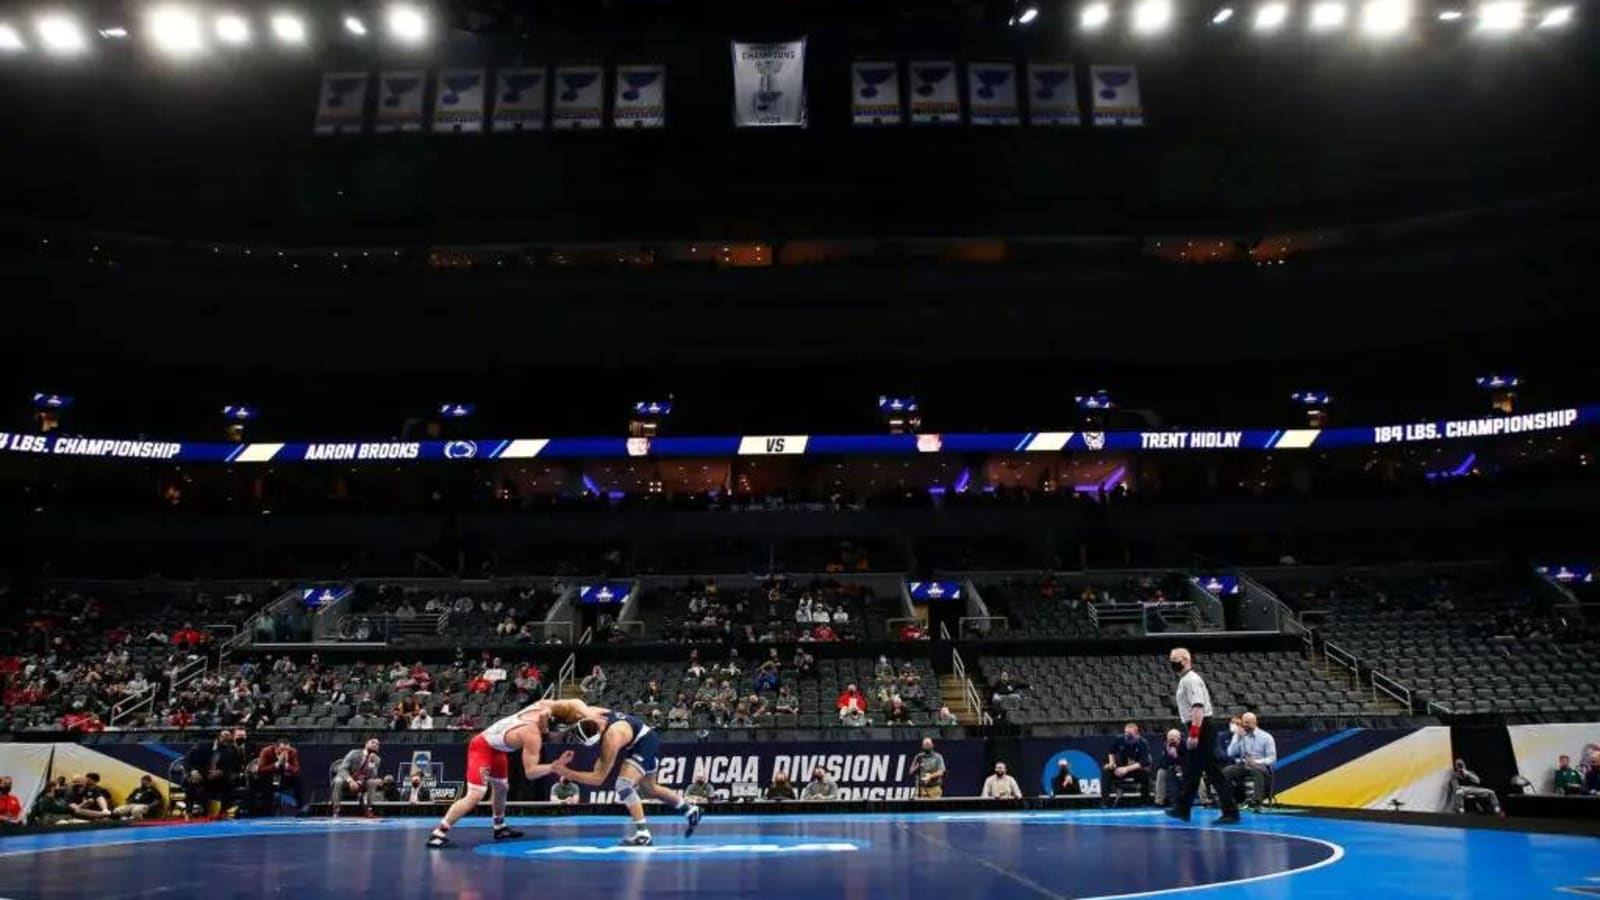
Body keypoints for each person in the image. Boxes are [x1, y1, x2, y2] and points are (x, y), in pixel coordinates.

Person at [427, 699, 580, 848]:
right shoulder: (533, 735)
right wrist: (554, 766)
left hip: (498, 750)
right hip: (482, 747)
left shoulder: (540, 706)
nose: (552, 735)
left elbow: (571, 703)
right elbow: (531, 773)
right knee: (476, 794)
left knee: (501, 787)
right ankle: (438, 833)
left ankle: (499, 827)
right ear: (549, 728)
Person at [551, 706, 704, 846]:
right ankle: (690, 810)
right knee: (649, 789)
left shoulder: (611, 739)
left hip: (644, 743)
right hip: (643, 738)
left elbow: (598, 779)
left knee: (623, 784)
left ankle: (643, 834)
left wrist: (565, 772)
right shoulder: (591, 713)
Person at [1165, 647, 1240, 824]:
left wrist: (1194, 734)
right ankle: (1182, 809)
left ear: (1184, 659)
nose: (1171, 662)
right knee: (1193, 770)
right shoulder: (1185, 680)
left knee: (1213, 772)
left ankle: (1231, 812)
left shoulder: (1191, 680)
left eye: (1174, 659)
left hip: (1201, 726)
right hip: (1198, 725)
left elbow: (1197, 707)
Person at [1223, 712, 1277, 810]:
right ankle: (1231, 801)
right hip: (1244, 764)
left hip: (1261, 766)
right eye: (1243, 723)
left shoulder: (1266, 737)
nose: (1245, 726)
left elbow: (1272, 758)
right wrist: (1237, 738)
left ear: (1254, 723)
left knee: (1256, 770)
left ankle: (1257, 803)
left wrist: (1257, 762)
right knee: (1226, 772)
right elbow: (1230, 753)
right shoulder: (1240, 735)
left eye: (1247, 723)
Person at [1102, 722, 1153, 807]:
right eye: (1126, 733)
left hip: (1136, 770)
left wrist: (1126, 769)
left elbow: (1144, 762)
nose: (1128, 736)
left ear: (1137, 734)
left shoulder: (1142, 743)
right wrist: (1112, 763)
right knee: (1107, 771)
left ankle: (1145, 802)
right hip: (1121, 769)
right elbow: (1111, 751)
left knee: (1145, 775)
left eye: (1130, 734)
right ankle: (1105, 802)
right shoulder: (1120, 739)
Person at [332, 738, 383, 819]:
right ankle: (336, 809)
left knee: (372, 782)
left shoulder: (377, 759)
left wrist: (371, 764)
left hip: (361, 781)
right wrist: (350, 781)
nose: (375, 745)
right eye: (373, 743)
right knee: (338, 781)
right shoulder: (354, 753)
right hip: (347, 778)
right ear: (366, 744)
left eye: (377, 744)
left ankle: (368, 809)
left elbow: (372, 776)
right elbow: (342, 769)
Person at [256, 737, 300, 810]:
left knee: (298, 781)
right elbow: (260, 770)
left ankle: (299, 808)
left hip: (284, 777)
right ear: (276, 748)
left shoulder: (293, 752)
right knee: (263, 783)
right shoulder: (266, 751)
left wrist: (286, 764)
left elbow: (296, 770)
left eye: (287, 750)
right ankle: (266, 809)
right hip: (268, 777)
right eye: (282, 750)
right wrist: (277, 764)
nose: (285, 752)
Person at [1154, 729, 1185, 807]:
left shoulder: (1186, 744)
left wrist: (1176, 756)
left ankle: (1204, 800)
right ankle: (1159, 800)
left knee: (1197, 774)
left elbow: (1189, 761)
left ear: (1179, 738)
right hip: (1170, 767)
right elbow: (1162, 763)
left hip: (1185, 767)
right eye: (1169, 740)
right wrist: (1168, 755)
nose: (1171, 742)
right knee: (1161, 772)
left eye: (1173, 740)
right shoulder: (1166, 745)